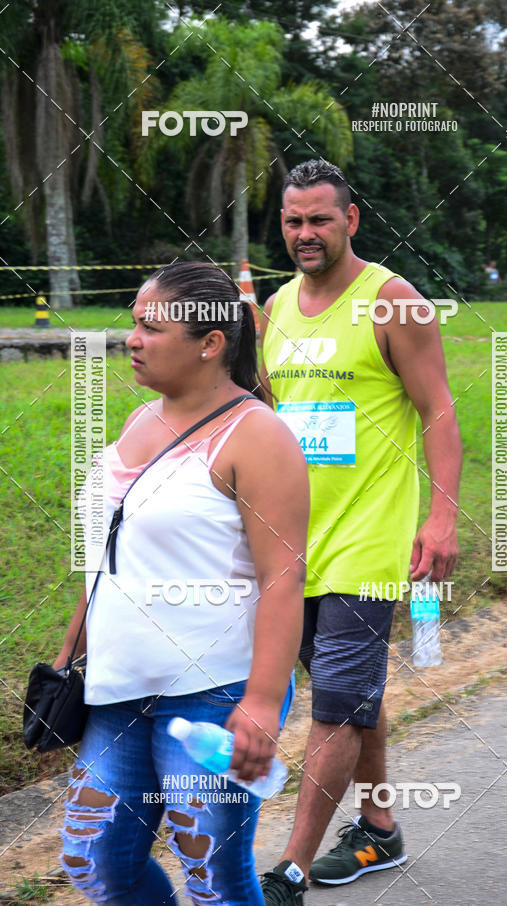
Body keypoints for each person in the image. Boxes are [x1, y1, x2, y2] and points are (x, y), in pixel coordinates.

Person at [54, 262, 309, 906]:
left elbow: (284, 580)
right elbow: (109, 554)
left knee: (214, 880)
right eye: (133, 325)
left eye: (151, 327)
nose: (131, 339)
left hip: (212, 694)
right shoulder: (140, 423)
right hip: (117, 689)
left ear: (210, 342)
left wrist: (260, 701)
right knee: (95, 862)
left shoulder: (259, 436)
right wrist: (71, 659)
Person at [259, 160, 462, 904]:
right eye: (292, 221)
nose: (305, 233)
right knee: (351, 692)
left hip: (369, 542)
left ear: (351, 219)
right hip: (295, 541)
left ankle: (289, 870)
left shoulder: (393, 301)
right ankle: (377, 827)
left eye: (319, 218)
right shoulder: (277, 307)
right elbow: (272, 417)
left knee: (338, 701)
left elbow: (439, 412)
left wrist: (440, 519)